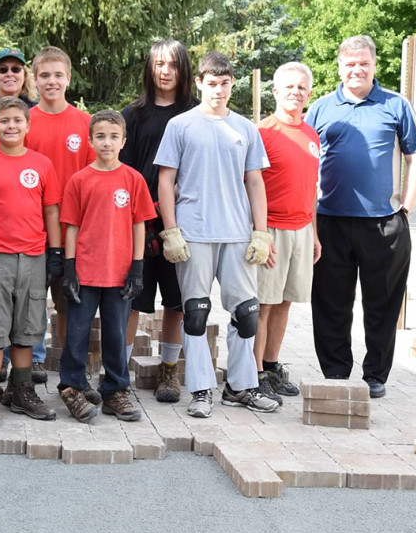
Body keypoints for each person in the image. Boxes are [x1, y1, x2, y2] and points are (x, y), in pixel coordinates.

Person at [155, 51, 279, 419]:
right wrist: (170, 229)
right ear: (200, 84)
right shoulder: (180, 125)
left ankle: (241, 388)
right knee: (194, 311)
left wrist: (262, 232)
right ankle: (201, 390)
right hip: (193, 232)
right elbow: (165, 180)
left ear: (232, 84)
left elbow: (255, 180)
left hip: (238, 233)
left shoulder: (245, 128)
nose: (219, 90)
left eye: (225, 84)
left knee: (248, 313)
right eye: (212, 84)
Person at [306, 35, 416, 398]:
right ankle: (336, 374)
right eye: (350, 64)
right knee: (331, 305)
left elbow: (415, 156)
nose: (356, 69)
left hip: (385, 223)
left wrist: (407, 206)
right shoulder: (321, 108)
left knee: (382, 304)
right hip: (331, 221)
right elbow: (307, 162)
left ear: (374, 65)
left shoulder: (395, 105)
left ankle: (375, 375)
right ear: (340, 67)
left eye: (364, 63)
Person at [0, 97, 63, 427]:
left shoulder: (42, 164)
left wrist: (56, 252)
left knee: (27, 326)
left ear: (27, 125)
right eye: (4, 120)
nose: (11, 126)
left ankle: (21, 390)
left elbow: (51, 210)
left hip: (33, 257)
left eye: (17, 121)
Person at [59, 109, 155, 422]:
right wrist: (69, 267)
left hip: (119, 273)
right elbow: (71, 225)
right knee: (76, 333)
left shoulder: (133, 179)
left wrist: (137, 267)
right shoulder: (79, 180)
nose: (107, 142)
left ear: (123, 141)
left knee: (115, 333)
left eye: (113, 136)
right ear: (89, 141)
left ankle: (115, 390)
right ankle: (72, 387)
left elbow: (140, 223)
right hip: (86, 273)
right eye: (100, 136)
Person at [120, 40, 196, 405]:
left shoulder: (196, 114)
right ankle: (118, 371)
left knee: (177, 301)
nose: (165, 71)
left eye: (172, 65)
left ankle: (169, 370)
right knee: (132, 297)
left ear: (183, 69)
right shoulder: (133, 115)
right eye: (159, 64)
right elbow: (123, 171)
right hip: (140, 221)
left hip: (185, 222)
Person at [25, 46, 95, 384]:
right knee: (33, 298)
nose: (51, 81)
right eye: (44, 75)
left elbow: (96, 178)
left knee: (70, 300)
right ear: (34, 79)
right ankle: (33, 360)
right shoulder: (24, 122)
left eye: (58, 75)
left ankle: (70, 364)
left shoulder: (85, 124)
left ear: (68, 78)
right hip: (32, 229)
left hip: (73, 231)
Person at [255, 62, 322, 404]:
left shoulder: (311, 135)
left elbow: (311, 186)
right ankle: (254, 375)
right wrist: (259, 235)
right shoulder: (264, 132)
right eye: (288, 86)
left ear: (309, 93)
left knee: (285, 303)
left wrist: (314, 232)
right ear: (276, 91)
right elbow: (249, 187)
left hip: (302, 229)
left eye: (301, 87)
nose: (295, 92)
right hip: (273, 229)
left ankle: (271, 364)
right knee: (264, 305)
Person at [0, 48, 45, 382]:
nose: (9, 74)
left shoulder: (36, 113)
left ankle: (31, 363)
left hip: (32, 235)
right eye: (2, 69)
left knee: (29, 308)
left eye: (16, 69)